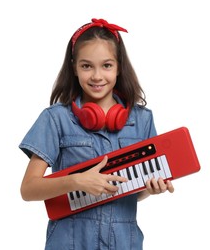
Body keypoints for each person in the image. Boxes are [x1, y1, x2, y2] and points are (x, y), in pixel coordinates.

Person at [19, 18, 174, 250]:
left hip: (124, 242)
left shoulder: (142, 120)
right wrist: (76, 181)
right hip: (70, 242)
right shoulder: (55, 119)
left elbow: (133, 192)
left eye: (107, 65)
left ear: (119, 66)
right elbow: (28, 189)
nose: (97, 76)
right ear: (74, 67)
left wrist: (150, 189)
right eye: (86, 66)